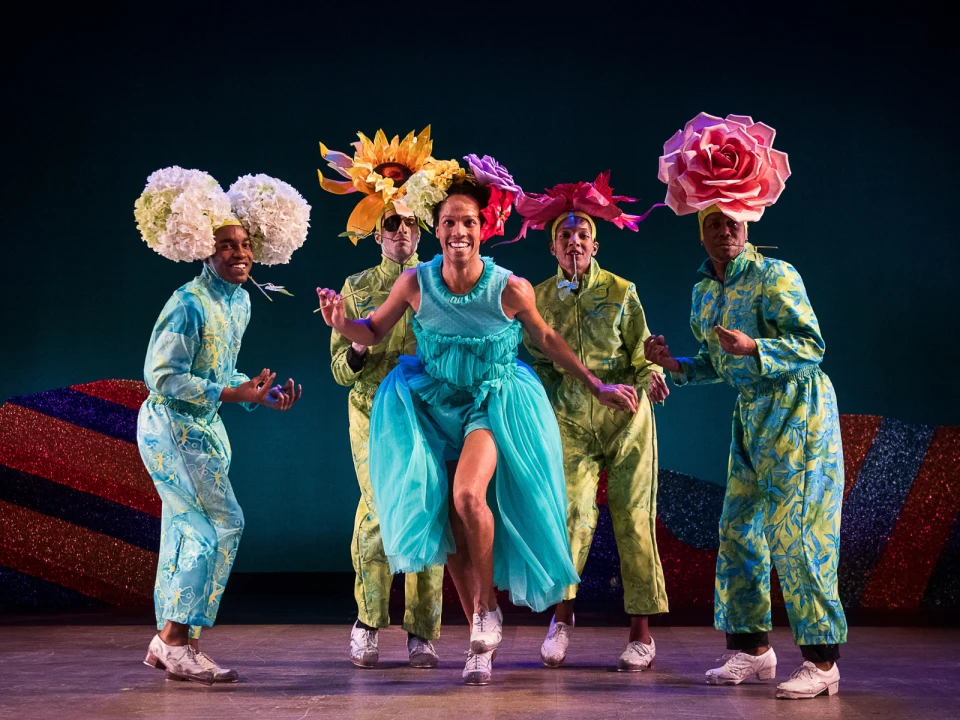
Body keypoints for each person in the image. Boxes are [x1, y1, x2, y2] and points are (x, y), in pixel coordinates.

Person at [317, 155, 639, 685]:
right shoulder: (417, 284)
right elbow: (371, 332)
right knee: (449, 521)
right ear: (436, 230)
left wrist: (597, 383)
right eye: (449, 222)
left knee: (469, 496)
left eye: (468, 221)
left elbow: (549, 340)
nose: (459, 230)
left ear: (482, 228)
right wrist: (343, 323)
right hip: (433, 398)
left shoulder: (508, 287)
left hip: (493, 399)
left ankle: (488, 610)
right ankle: (478, 635)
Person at [649, 114, 847, 699]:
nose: (726, 230)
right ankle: (752, 650)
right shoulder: (704, 291)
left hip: (798, 413)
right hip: (752, 419)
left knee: (798, 534)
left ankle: (823, 661)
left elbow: (811, 346)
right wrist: (673, 365)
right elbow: (716, 365)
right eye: (715, 222)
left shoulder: (776, 276)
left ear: (749, 220)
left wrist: (757, 346)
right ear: (702, 228)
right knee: (738, 531)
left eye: (735, 221)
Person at [135, 168, 309, 684]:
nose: (240, 253)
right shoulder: (188, 303)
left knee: (188, 531)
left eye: (246, 243)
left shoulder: (241, 300)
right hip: (171, 427)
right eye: (227, 245)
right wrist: (231, 393)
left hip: (202, 428)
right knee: (220, 525)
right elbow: (162, 376)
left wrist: (259, 395)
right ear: (205, 250)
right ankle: (175, 641)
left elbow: (219, 371)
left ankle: (170, 642)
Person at [516, 174, 669, 670]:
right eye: (564, 235)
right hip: (570, 423)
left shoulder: (622, 291)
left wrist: (651, 375)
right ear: (553, 246)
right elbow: (534, 362)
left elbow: (644, 352)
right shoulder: (537, 299)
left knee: (633, 520)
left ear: (595, 243)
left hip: (625, 421)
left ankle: (641, 634)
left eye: (582, 235)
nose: (574, 241)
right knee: (571, 519)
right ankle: (562, 619)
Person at [320, 127, 443, 668]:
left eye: (410, 224)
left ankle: (423, 632)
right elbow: (339, 371)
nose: (401, 233)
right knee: (376, 513)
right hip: (372, 411)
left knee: (428, 511)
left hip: (429, 411)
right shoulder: (357, 285)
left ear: (422, 230)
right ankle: (369, 619)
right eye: (391, 225)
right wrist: (357, 346)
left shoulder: (441, 281)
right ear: (378, 233)